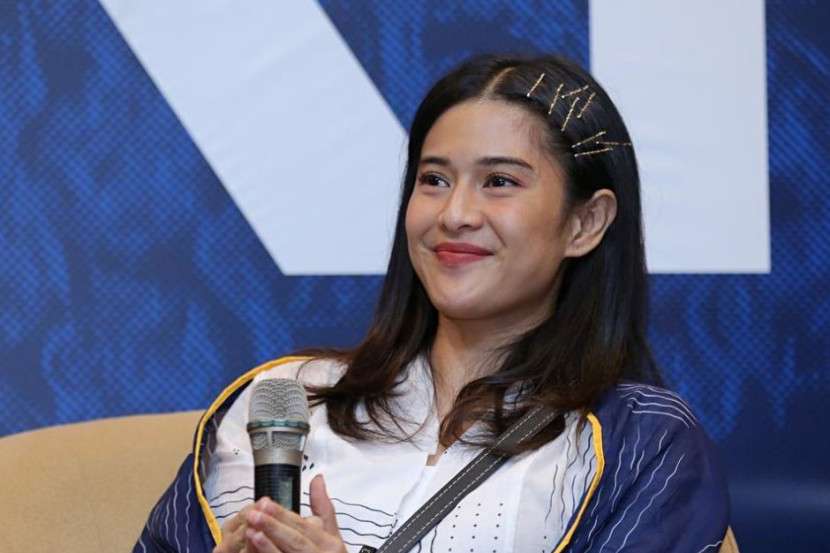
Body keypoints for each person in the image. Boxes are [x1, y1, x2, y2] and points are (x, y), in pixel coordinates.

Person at [134, 54, 730, 553]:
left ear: (585, 223)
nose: (455, 214)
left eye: (499, 182)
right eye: (434, 180)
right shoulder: (283, 399)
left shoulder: (641, 443)